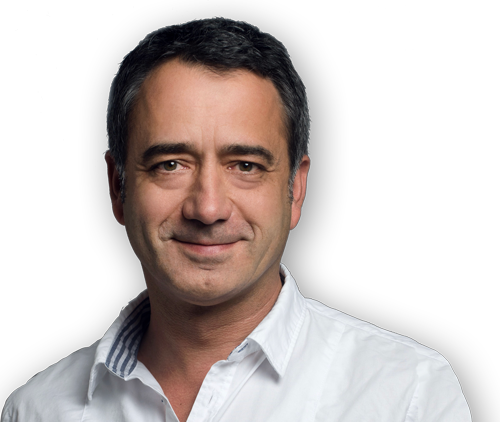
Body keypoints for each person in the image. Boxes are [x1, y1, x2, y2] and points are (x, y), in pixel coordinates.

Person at [1, 17, 471, 422]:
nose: (208, 209)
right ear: (117, 187)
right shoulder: (37, 410)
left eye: (245, 166)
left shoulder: (408, 395)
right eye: (170, 164)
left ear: (296, 189)